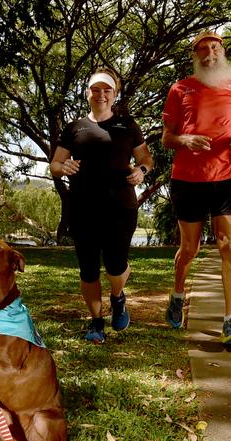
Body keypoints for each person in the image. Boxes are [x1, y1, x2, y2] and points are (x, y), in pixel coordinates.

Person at [50, 68, 154, 344]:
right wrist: (64, 166)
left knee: (115, 267)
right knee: (88, 269)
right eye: (95, 89)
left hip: (121, 207)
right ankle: (96, 321)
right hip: (84, 208)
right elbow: (54, 165)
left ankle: (118, 297)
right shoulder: (75, 128)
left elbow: (146, 158)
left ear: (114, 94)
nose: (101, 94)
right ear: (87, 94)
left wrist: (141, 170)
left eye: (107, 90)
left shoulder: (128, 126)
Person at [162, 31, 231, 345]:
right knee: (190, 249)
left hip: (228, 175)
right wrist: (184, 140)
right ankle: (177, 294)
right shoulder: (180, 88)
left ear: (222, 52)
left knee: (229, 244)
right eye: (203, 49)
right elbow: (166, 137)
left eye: (215, 47)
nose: (209, 53)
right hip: (188, 179)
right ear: (195, 56)